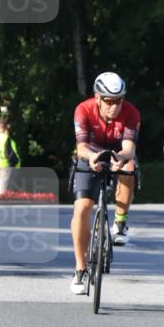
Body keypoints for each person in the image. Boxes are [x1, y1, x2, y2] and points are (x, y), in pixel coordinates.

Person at [70, 72, 140, 295]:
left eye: (118, 100)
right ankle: (81, 268)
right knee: (82, 207)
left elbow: (129, 148)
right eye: (109, 101)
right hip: (88, 155)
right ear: (98, 98)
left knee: (129, 168)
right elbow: (81, 147)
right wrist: (91, 158)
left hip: (117, 153)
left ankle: (120, 222)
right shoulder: (83, 109)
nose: (114, 106)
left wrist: (120, 159)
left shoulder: (131, 112)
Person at [0, 116, 21, 194]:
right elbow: (9, 152)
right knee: (2, 185)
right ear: (5, 127)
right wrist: (14, 163)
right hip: (5, 164)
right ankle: (0, 202)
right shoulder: (5, 138)